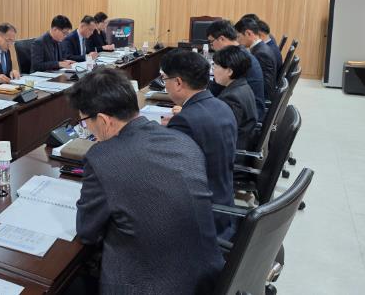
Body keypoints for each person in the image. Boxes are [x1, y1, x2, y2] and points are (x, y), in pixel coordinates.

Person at [67, 67, 224, 294]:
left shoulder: (102, 158)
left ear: (102, 120)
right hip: (207, 277)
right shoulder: (182, 140)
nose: (87, 128)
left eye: (85, 121)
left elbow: (87, 231)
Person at [160, 49, 237, 240]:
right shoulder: (221, 106)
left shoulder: (186, 121)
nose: (165, 85)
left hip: (201, 219)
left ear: (178, 83)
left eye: (164, 79)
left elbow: (170, 178)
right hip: (224, 204)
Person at [206, 19, 266, 121]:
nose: (211, 46)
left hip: (245, 113)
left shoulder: (237, 59)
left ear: (221, 39)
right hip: (245, 108)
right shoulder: (240, 53)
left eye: (211, 42)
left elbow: (217, 89)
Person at [212, 45, 258, 151]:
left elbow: (221, 134)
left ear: (229, 71)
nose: (213, 69)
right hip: (242, 142)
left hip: (233, 152)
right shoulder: (242, 85)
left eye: (216, 66)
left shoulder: (231, 98)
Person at [235, 17, 278, 102]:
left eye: (238, 37)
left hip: (260, 99)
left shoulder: (261, 54)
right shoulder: (260, 48)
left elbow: (265, 87)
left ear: (248, 33)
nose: (237, 41)